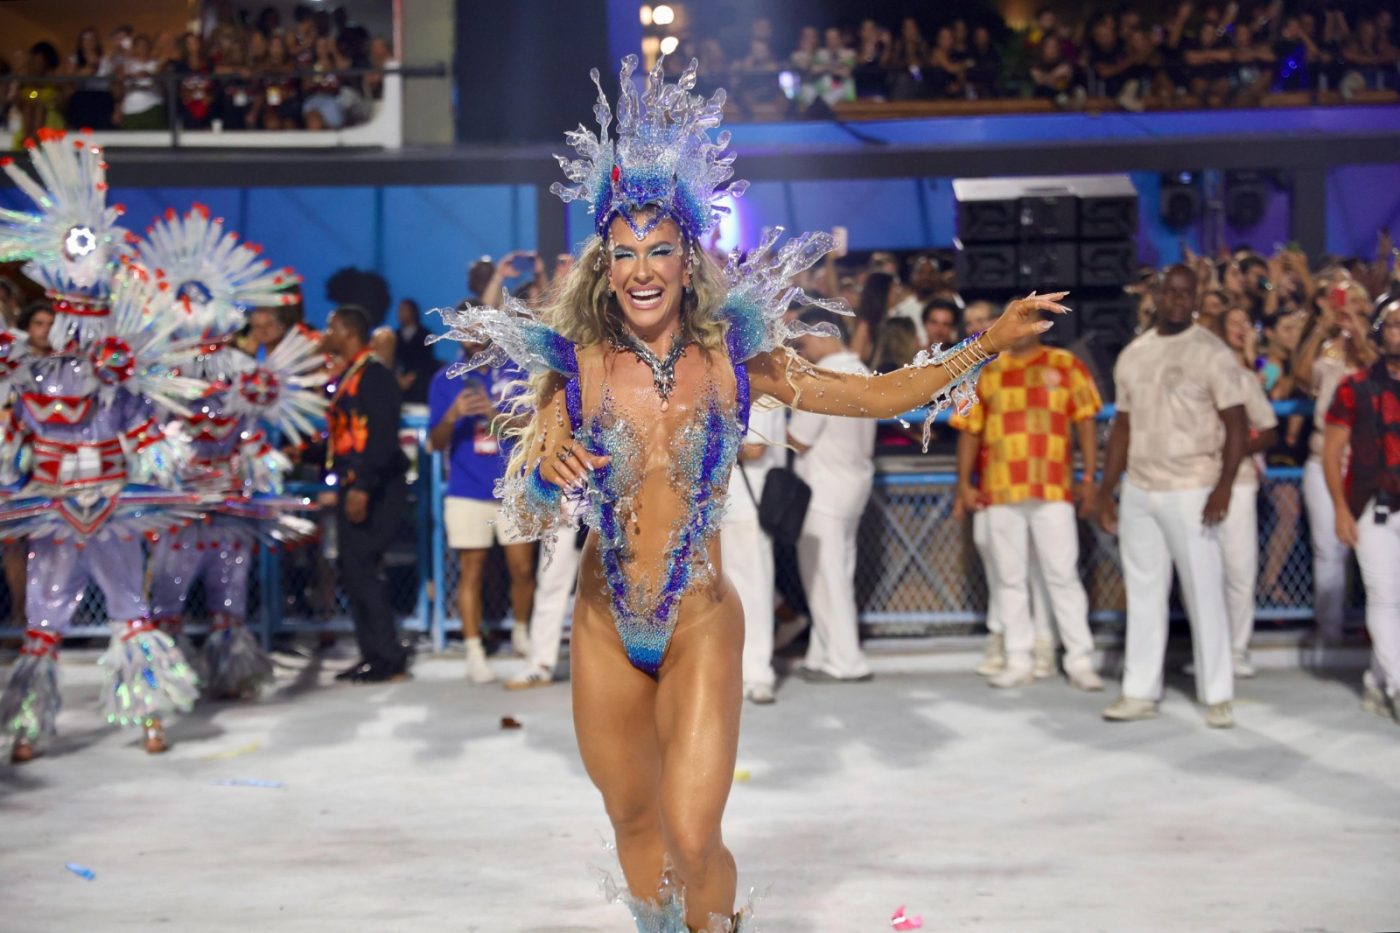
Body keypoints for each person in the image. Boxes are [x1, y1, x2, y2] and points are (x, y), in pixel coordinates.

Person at [434, 56, 1064, 931]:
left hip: (698, 618)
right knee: (632, 818)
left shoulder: (740, 362)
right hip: (603, 626)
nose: (642, 269)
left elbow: (877, 394)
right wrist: (552, 469)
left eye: (660, 250)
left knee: (694, 835)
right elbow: (532, 501)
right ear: (604, 265)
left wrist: (987, 341)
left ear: (689, 259)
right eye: (624, 253)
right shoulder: (571, 369)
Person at [1095, 265, 1248, 729]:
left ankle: (1217, 693)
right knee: (1143, 592)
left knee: (1204, 592)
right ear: (1157, 295)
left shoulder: (1212, 352)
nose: (1179, 300)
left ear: (1197, 297)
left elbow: (1238, 424)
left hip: (1193, 487)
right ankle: (1139, 690)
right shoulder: (1134, 354)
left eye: (1188, 294)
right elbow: (1121, 426)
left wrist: (1223, 485)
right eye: (1171, 292)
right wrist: (1106, 489)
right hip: (1140, 487)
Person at [954, 309, 1105, 691]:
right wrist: (964, 484)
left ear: (1041, 326)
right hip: (1001, 489)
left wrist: (1089, 477)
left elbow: (1086, 421)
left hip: (1053, 488)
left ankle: (1079, 659)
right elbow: (970, 431)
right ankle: (1018, 658)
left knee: (1062, 574)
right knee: (1009, 579)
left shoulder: (1066, 365)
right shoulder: (985, 371)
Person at [427, 347, 535, 684]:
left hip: (513, 487)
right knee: (470, 570)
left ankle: (520, 631)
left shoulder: (518, 372)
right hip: (467, 490)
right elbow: (433, 443)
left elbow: (532, 431)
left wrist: (494, 414)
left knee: (523, 568)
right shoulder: (446, 378)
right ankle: (474, 651)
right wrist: (452, 415)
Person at [787, 306, 877, 683]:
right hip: (853, 484)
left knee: (827, 578)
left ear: (824, 334)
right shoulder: (863, 372)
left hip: (823, 490)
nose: (801, 352)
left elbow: (798, 440)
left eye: (803, 343)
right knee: (838, 572)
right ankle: (824, 654)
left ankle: (845, 660)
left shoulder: (824, 377)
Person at [321, 305, 411, 683]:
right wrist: (308, 452)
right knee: (354, 572)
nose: (326, 334)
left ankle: (387, 657)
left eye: (331, 328)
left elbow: (381, 437)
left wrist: (361, 486)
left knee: (363, 572)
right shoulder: (351, 375)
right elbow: (346, 436)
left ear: (347, 332)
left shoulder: (373, 375)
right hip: (355, 483)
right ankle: (372, 653)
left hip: (373, 487)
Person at [1324, 297, 1400, 721]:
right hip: (1374, 507)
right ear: (1379, 333)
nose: (1399, 332)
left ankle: (1377, 681)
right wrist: (1340, 508)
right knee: (1384, 597)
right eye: (1392, 325)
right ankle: (1397, 684)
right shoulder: (1353, 387)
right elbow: (1333, 453)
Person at [719, 397, 788, 704]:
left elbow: (755, 448)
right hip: (723, 508)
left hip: (748, 505)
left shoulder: (762, 390)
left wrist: (701, 439)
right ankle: (734, 671)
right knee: (726, 593)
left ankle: (758, 673)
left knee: (755, 591)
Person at [394, 298, 437, 405]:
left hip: (419, 388)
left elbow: (426, 361)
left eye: (404, 310)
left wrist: (410, 378)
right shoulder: (394, 335)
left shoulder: (426, 335)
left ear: (413, 312)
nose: (400, 314)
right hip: (398, 388)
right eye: (399, 311)